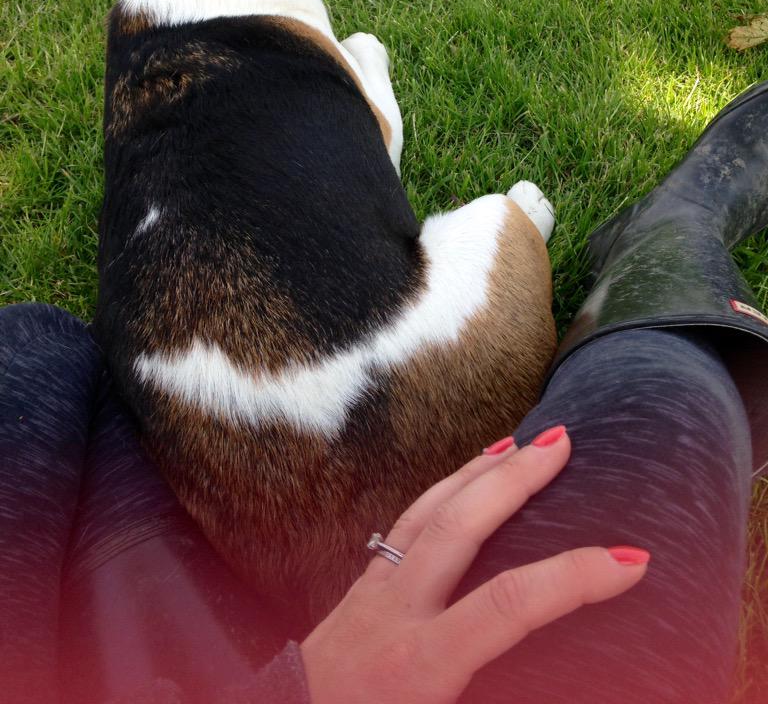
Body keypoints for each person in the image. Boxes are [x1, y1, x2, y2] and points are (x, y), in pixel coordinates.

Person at [1, 81, 766, 704]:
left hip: (104, 599)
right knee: (667, 426)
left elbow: (35, 355)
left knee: (34, 349)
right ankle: (673, 233)